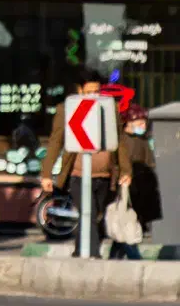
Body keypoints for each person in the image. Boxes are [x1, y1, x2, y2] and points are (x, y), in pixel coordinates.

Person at [40, 73, 130, 258]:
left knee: (95, 215)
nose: (93, 96)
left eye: (97, 91)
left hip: (105, 176)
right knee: (86, 212)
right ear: (80, 90)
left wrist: (126, 170)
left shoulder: (109, 109)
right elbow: (55, 142)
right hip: (78, 174)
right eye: (89, 92)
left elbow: (119, 141)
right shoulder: (67, 109)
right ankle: (94, 255)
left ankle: (80, 251)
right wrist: (47, 173)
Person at [110, 104, 160, 260]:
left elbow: (150, 162)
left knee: (127, 223)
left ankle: (115, 256)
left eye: (144, 122)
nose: (143, 125)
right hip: (125, 188)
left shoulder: (143, 140)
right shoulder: (121, 141)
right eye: (139, 121)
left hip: (142, 189)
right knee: (126, 222)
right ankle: (134, 256)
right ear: (129, 122)